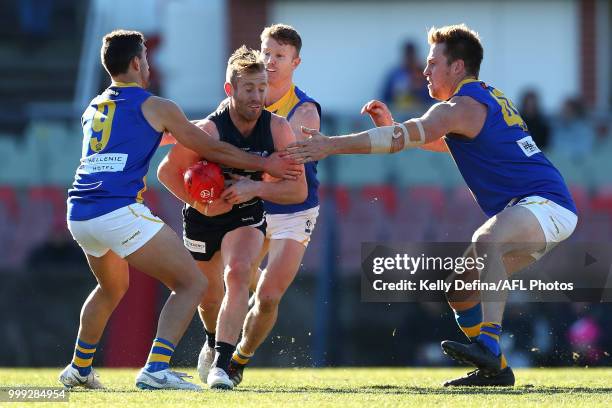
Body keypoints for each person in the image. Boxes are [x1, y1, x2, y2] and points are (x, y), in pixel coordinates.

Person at [287, 24, 578, 387]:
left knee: (489, 239)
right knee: (460, 291)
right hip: (542, 209)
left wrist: (330, 145)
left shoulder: (460, 106)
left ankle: (489, 343)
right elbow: (442, 141)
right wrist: (394, 128)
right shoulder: (480, 100)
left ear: (457, 67)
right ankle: (497, 370)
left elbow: (406, 138)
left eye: (432, 63)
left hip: (545, 204)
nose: (424, 72)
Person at [60, 30, 300, 391]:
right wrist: (262, 165)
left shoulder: (93, 107)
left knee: (111, 287)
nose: (149, 66)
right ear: (138, 62)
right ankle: (156, 369)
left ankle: (78, 368)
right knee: (192, 284)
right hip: (117, 209)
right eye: (146, 58)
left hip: (79, 212)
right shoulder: (156, 105)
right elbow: (210, 148)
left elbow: (133, 140)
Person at [157, 45, 307, 390]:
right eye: (249, 89)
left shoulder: (278, 128)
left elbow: (297, 192)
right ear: (230, 90)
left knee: (238, 274)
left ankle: (222, 366)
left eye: (261, 88)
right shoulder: (209, 130)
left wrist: (254, 190)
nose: (257, 97)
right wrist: (201, 205)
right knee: (209, 298)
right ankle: (213, 340)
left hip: (246, 215)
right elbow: (167, 173)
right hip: (203, 219)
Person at [221, 23, 322, 388]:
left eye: (279, 55)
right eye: (266, 53)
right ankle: (216, 346)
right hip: (253, 204)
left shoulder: (305, 112)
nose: (270, 61)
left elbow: (287, 179)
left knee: (266, 296)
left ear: (295, 62)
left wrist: (248, 179)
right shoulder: (242, 98)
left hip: (293, 209)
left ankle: (238, 358)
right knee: (232, 276)